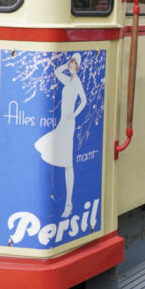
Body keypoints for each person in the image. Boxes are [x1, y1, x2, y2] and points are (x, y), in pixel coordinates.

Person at [34, 53, 87, 218]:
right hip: (63, 122)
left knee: (67, 163)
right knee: (53, 150)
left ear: (78, 67)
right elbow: (57, 72)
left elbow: (84, 101)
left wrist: (74, 114)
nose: (71, 66)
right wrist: (65, 64)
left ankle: (69, 203)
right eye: (71, 63)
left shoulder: (76, 82)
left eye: (74, 64)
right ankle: (56, 200)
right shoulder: (68, 80)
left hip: (68, 123)